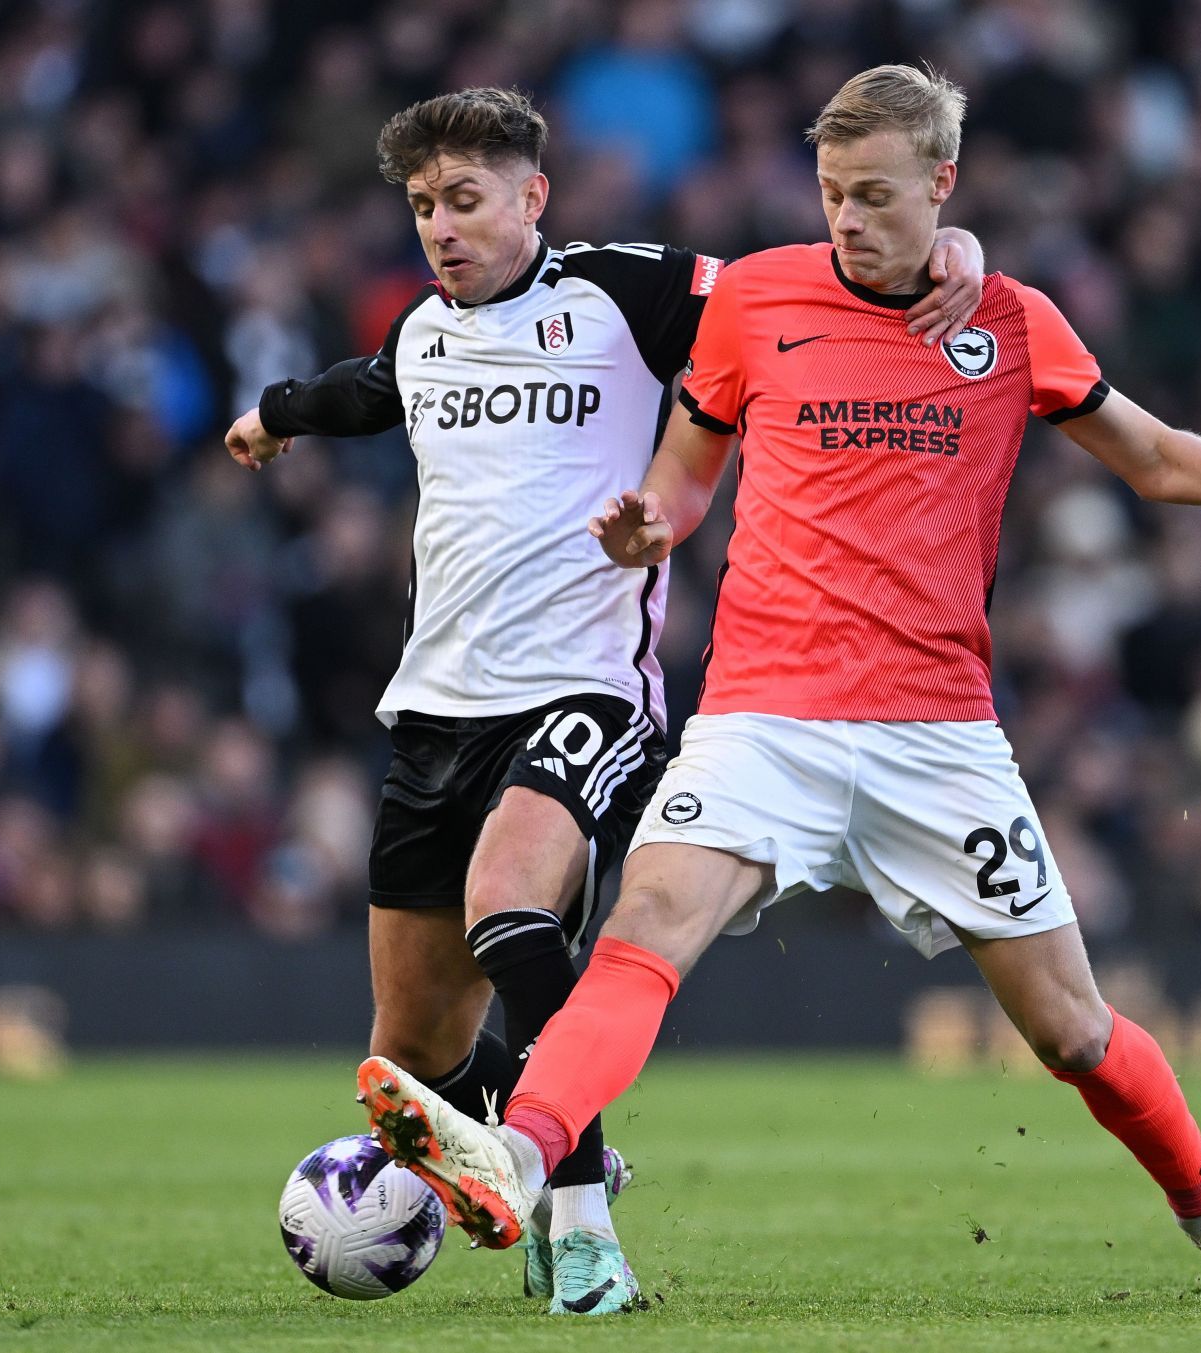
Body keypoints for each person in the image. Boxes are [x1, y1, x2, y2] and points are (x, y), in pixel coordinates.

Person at [354, 65, 1201, 1308]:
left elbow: (1149, 460)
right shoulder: (758, 299)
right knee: (637, 941)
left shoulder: (1015, 323)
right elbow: (684, 479)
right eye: (832, 194)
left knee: (1072, 1034)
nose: (848, 220)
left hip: (937, 736)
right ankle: (527, 1157)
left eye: (876, 196)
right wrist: (645, 530)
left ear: (941, 185)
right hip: (761, 716)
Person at [222, 86, 987, 1315]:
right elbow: (359, 391)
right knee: (410, 1063)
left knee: (509, 907)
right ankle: (551, 1135)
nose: (442, 228)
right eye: (423, 206)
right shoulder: (424, 337)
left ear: (533, 196)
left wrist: (954, 249)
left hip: (586, 692)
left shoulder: (624, 291)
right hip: (433, 714)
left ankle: (579, 1226)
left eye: (466, 200)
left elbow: (802, 291)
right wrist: (272, 415)